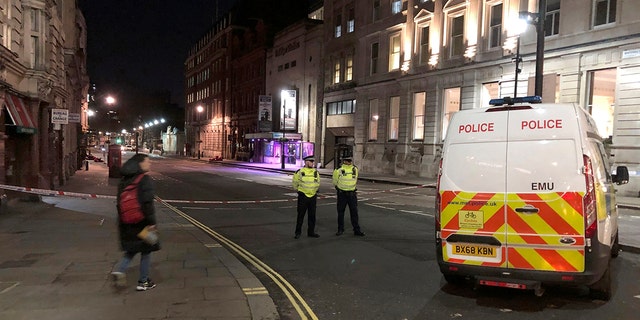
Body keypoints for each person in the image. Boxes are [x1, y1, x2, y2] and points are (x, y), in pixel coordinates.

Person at [111, 153, 160, 291]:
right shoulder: (144, 180)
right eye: (147, 161)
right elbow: (147, 204)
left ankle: (120, 271)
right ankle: (143, 281)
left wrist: (123, 219)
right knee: (146, 250)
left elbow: (119, 202)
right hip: (142, 222)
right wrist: (152, 223)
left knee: (132, 249)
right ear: (140, 164)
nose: (149, 163)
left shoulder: (124, 180)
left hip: (126, 221)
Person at [333, 156, 365, 236]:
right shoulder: (338, 170)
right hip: (342, 194)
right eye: (347, 160)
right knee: (341, 212)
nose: (349, 162)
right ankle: (340, 229)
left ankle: (356, 230)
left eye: (350, 160)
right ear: (344, 161)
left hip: (352, 194)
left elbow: (355, 179)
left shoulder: (354, 169)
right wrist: (340, 188)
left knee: (354, 213)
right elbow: (335, 181)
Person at [292, 155, 320, 239]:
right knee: (301, 215)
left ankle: (311, 232)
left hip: (313, 196)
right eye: (311, 162)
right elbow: (295, 183)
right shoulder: (300, 172)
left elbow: (318, 183)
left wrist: (314, 191)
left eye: (313, 161)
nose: (313, 163)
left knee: (312, 216)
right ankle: (298, 232)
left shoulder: (315, 172)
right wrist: (300, 191)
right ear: (306, 162)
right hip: (303, 196)